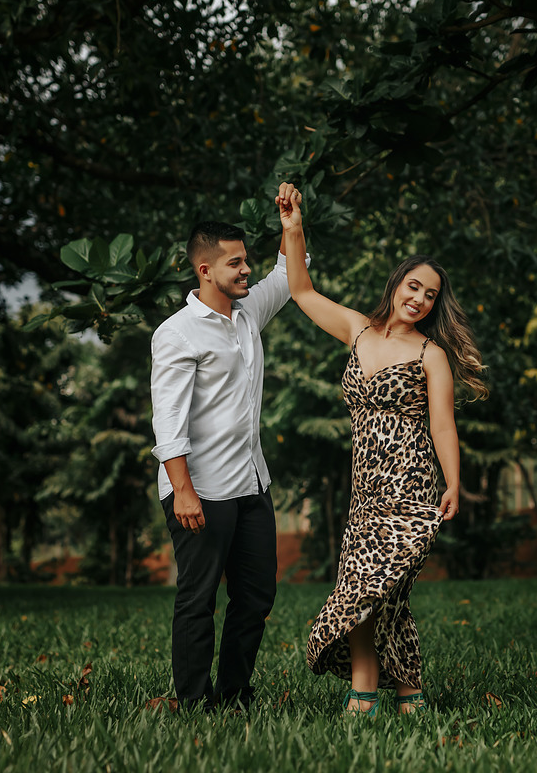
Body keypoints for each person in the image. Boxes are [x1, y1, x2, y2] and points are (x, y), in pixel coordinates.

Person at [273, 181, 488, 715]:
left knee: (375, 588)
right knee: (372, 591)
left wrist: (454, 482)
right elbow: (301, 291)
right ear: (396, 285)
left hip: (411, 485)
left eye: (430, 294)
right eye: (413, 286)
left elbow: (442, 426)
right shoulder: (358, 331)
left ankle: (375, 690)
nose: (419, 299)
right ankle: (390, 691)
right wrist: (294, 228)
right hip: (365, 491)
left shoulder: (430, 354)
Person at [149, 198, 306, 713]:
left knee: (256, 597)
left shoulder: (247, 315)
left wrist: (292, 225)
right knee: (198, 600)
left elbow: (288, 274)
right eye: (235, 263)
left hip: (251, 486)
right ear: (205, 269)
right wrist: (184, 492)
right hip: (201, 491)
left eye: (246, 261)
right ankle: (193, 702)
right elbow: (168, 422)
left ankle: (235, 695)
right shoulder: (176, 333)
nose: (247, 269)